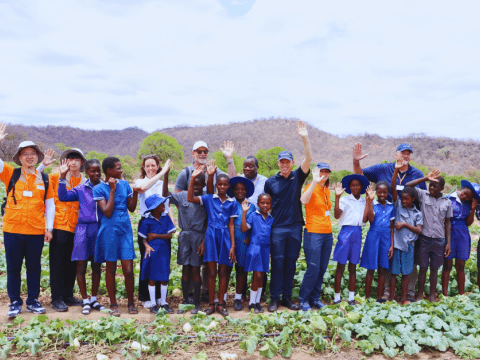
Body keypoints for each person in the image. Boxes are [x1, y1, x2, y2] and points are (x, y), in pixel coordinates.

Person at [352, 142, 427, 299]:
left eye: (408, 153)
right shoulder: (383, 169)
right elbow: (360, 174)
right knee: (388, 254)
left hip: (408, 220)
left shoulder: (417, 174)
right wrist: (356, 161)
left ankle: (409, 293)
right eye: (402, 152)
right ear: (396, 154)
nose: (405, 155)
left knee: (410, 255)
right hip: (388, 216)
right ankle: (387, 292)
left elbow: (422, 199)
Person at [0, 124, 55, 318]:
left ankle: (32, 301)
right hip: (13, 229)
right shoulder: (11, 174)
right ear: (19, 158)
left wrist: (49, 228)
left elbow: (50, 205)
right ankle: (15, 302)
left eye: (33, 153)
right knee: (13, 268)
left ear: (37, 157)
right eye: (25, 154)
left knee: (34, 267)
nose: (29, 156)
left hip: (36, 231)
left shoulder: (44, 178)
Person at [175, 140, 236, 301]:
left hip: (211, 224)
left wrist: (229, 160)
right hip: (192, 225)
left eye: (205, 151)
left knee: (208, 262)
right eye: (199, 151)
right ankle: (188, 296)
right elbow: (179, 197)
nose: (202, 154)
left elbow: (231, 180)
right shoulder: (186, 173)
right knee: (190, 264)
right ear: (193, 153)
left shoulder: (214, 171)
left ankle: (205, 293)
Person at [264, 120, 312, 312]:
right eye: (282, 162)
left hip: (294, 226)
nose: (285, 165)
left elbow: (308, 159)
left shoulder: (297, 177)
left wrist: (305, 138)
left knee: (291, 263)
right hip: (277, 227)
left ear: (292, 163)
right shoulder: (270, 182)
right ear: (278, 163)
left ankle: (286, 298)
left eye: (288, 162)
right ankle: (274, 298)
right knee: (277, 262)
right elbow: (265, 205)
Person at [187, 162, 237, 316]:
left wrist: (233, 246)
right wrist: (193, 178)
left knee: (223, 271)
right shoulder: (209, 198)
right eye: (219, 184)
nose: (222, 187)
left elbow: (231, 225)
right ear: (216, 185)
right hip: (210, 236)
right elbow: (190, 198)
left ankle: (221, 304)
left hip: (225, 238)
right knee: (211, 271)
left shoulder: (232, 202)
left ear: (228, 186)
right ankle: (211, 304)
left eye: (225, 185)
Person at [58, 158, 106, 315]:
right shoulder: (80, 189)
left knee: (96, 266)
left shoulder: (105, 188)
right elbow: (63, 196)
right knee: (81, 266)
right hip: (83, 230)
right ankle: (85, 300)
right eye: (92, 170)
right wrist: (61, 177)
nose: (96, 173)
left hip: (99, 229)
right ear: (86, 171)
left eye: (98, 170)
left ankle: (94, 299)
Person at [93, 157, 139, 316]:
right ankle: (113, 303)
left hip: (125, 229)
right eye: (118, 168)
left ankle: (131, 302)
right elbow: (107, 211)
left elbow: (131, 209)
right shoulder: (99, 189)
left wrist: (136, 193)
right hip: (109, 231)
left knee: (128, 269)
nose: (121, 171)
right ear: (109, 171)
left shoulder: (125, 185)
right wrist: (112, 190)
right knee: (111, 267)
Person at [44, 148, 87, 312]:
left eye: (77, 158)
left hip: (77, 226)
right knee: (57, 263)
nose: (73, 162)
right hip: (59, 225)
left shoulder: (84, 181)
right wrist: (46, 227)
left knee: (72, 262)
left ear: (82, 162)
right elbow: (46, 201)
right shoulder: (55, 177)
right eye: (70, 158)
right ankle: (56, 298)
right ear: (65, 161)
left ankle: (68, 295)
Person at [162, 164, 209, 315]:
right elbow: (165, 194)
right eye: (192, 183)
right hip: (184, 236)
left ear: (203, 185)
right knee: (185, 269)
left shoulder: (204, 198)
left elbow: (209, 221)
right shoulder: (181, 195)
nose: (195, 186)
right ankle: (185, 301)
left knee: (196, 269)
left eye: (198, 184)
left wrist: (203, 241)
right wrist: (165, 175)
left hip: (199, 235)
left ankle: (196, 302)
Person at [404, 169, 452, 302]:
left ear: (442, 188)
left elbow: (447, 223)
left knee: (435, 269)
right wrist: (425, 178)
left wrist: (448, 243)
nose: (431, 187)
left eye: (435, 186)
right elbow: (408, 186)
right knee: (423, 268)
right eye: (430, 185)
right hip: (424, 239)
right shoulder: (423, 195)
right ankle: (419, 294)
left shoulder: (447, 202)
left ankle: (431, 295)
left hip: (439, 240)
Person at [134, 155, 172, 308]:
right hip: (147, 223)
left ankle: (160, 299)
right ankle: (146, 297)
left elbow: (165, 199)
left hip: (162, 223)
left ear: (158, 166)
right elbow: (143, 189)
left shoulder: (162, 183)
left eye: (153, 165)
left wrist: (165, 175)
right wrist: (162, 173)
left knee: (161, 261)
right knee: (148, 261)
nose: (150, 168)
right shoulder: (140, 182)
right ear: (143, 168)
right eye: (147, 166)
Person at [298, 163, 333, 311]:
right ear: (317, 172)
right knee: (313, 268)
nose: (324, 174)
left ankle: (315, 299)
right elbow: (303, 201)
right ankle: (303, 300)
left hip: (328, 233)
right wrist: (313, 181)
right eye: (321, 171)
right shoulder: (310, 187)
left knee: (321, 268)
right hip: (314, 232)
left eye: (327, 171)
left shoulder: (326, 190)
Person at [332, 174, 370, 305]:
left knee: (353, 266)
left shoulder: (364, 201)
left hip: (357, 233)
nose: (355, 187)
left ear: (361, 187)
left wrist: (370, 201)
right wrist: (337, 198)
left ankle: (351, 297)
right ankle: (337, 297)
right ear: (349, 187)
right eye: (353, 185)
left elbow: (365, 219)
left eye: (357, 185)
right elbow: (337, 215)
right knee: (340, 266)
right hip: (345, 232)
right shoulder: (344, 200)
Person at [389, 161, 423, 304]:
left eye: (406, 199)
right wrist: (396, 171)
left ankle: (403, 298)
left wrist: (404, 224)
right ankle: (391, 298)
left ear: (413, 199)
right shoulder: (398, 206)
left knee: (406, 274)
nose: (403, 201)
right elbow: (393, 188)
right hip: (396, 245)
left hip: (409, 246)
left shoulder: (417, 214)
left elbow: (419, 230)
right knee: (393, 273)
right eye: (402, 198)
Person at [139, 194, 176, 314]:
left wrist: (155, 235)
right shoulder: (147, 221)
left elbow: (170, 235)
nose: (163, 206)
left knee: (164, 276)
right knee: (152, 277)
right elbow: (144, 238)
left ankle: (163, 302)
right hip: (152, 251)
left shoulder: (165, 218)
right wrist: (146, 245)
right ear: (155, 208)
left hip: (164, 250)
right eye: (161, 204)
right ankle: (153, 303)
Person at [441, 181, 479, 296]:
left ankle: (461, 294)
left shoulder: (469, 204)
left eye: (468, 196)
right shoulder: (448, 198)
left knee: (461, 265)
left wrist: (472, 209)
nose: (464, 196)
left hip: (462, 233)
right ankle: (445, 294)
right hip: (449, 231)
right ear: (463, 188)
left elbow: (468, 223)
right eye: (465, 193)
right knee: (447, 264)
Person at [359, 181, 394, 302]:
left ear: (388, 192)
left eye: (384, 192)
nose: (382, 194)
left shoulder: (391, 206)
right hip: (373, 237)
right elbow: (371, 219)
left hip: (386, 239)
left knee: (382, 269)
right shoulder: (372, 204)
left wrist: (392, 245)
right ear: (376, 192)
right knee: (370, 268)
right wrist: (369, 200)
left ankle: (379, 297)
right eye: (379, 192)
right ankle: (368, 297)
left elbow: (392, 228)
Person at [226, 176, 256, 311]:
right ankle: (224, 297)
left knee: (241, 270)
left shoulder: (252, 206)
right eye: (237, 189)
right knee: (226, 269)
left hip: (243, 239)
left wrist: (250, 237)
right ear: (233, 190)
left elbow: (254, 224)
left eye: (242, 189)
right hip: (229, 239)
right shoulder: (229, 203)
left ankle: (238, 298)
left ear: (246, 191)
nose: (239, 191)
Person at [240, 194, 273, 314]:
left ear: (270, 205)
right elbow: (244, 229)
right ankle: (252, 303)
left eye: (267, 203)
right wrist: (244, 213)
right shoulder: (253, 216)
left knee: (262, 277)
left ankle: (257, 301)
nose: (265, 205)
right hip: (255, 249)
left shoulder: (270, 218)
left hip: (265, 249)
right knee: (257, 275)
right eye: (262, 203)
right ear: (258, 204)